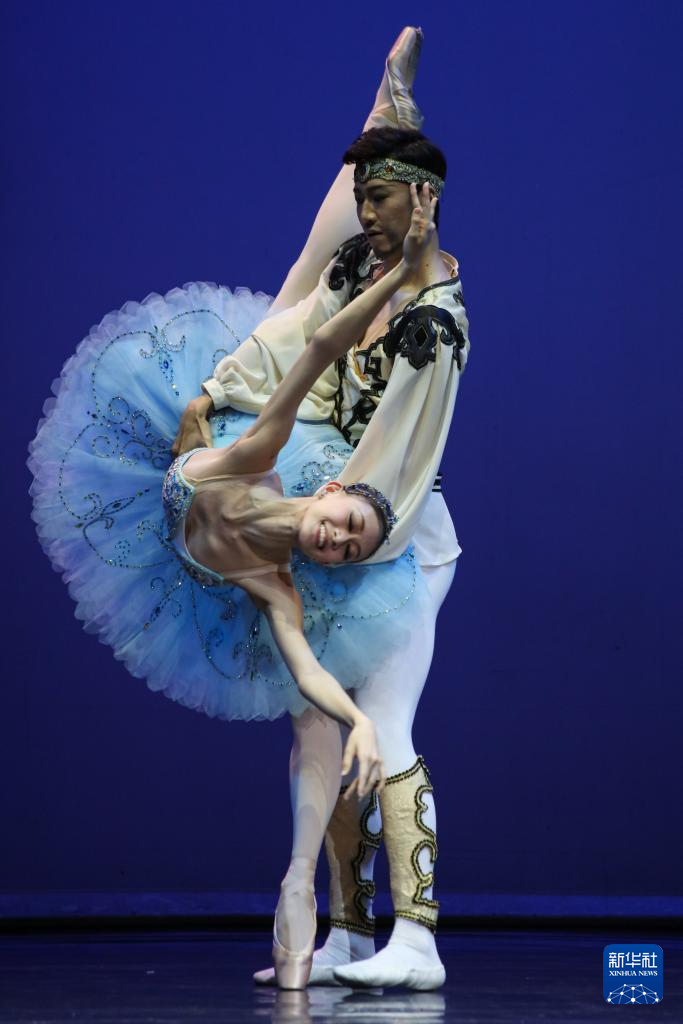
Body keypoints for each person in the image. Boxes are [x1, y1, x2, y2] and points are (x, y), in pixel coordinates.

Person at [173, 28, 471, 990]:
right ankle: (344, 929)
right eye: (362, 196)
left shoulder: (435, 326)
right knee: (328, 729)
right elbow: (293, 334)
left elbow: (402, 463)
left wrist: (343, 522)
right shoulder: (358, 270)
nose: (365, 213)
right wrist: (216, 391)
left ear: (423, 202)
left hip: (395, 543)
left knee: (383, 719)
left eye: (379, 198)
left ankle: (416, 938)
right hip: (328, 519)